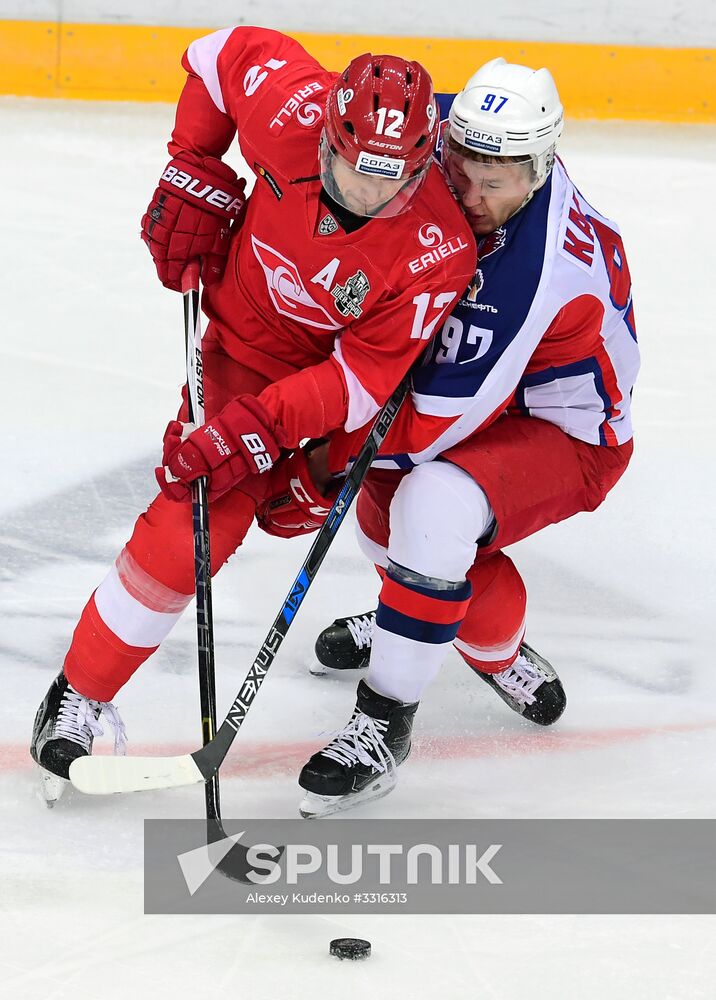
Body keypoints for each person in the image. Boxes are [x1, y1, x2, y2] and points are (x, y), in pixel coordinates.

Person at [29, 26, 476, 800]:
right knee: (197, 516)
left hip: (335, 400)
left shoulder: (439, 245)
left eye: (393, 183)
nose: (372, 196)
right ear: (327, 132)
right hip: (242, 352)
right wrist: (194, 162)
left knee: (397, 514)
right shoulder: (290, 107)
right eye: (354, 173)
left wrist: (269, 432)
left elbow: (361, 382)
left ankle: (424, 645)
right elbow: (217, 51)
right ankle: (77, 693)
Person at [296, 58, 640, 818]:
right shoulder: (451, 132)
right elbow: (338, 114)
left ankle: (387, 721)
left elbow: (436, 424)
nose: (473, 197)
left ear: (541, 166)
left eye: (500, 183)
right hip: (490, 397)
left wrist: (308, 454)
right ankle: (415, 615)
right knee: (394, 528)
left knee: (432, 504)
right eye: (460, 168)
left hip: (565, 434)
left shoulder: (531, 270)